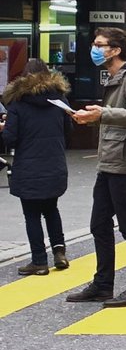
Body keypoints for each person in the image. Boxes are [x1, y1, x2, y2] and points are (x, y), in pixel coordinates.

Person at [66, 28, 126, 308]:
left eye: (100, 45)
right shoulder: (116, 77)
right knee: (99, 224)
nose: (94, 49)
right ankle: (103, 285)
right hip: (110, 162)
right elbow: (119, 118)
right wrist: (93, 116)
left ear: (116, 50)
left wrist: (102, 113)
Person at [1, 59, 72, 276]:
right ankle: (59, 252)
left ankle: (39, 261)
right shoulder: (59, 99)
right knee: (52, 209)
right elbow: (68, 131)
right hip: (54, 164)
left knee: (31, 214)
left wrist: (4, 127)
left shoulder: (18, 103)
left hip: (28, 167)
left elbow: (10, 139)